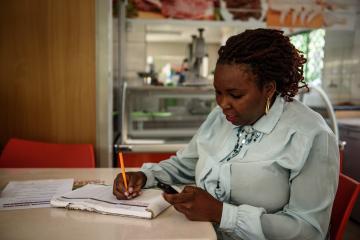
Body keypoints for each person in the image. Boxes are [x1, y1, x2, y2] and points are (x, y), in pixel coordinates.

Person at [113, 28, 339, 240]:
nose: (223, 104)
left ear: (269, 89)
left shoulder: (310, 136)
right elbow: (186, 164)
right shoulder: (221, 117)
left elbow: (309, 231)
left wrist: (221, 213)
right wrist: (145, 176)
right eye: (218, 92)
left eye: (235, 95)